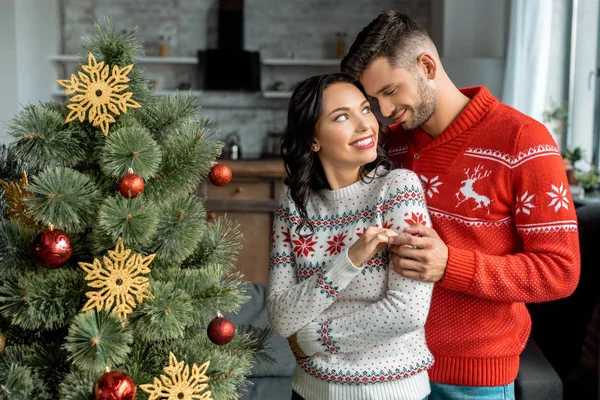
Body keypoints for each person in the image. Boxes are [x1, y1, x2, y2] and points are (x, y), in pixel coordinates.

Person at [340, 11, 581, 400]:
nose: (384, 111)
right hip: (384, 369)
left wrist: (450, 265)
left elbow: (560, 272)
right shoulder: (391, 146)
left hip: (472, 381)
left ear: (427, 66)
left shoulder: (523, 141)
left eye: (390, 91)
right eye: (375, 99)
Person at [267, 73, 434, 400]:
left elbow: (407, 310)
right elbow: (281, 316)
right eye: (342, 116)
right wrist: (348, 262)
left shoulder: (398, 189)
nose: (365, 125)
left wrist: (310, 340)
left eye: (365, 110)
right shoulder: (293, 208)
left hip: (392, 393)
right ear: (313, 139)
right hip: (309, 392)